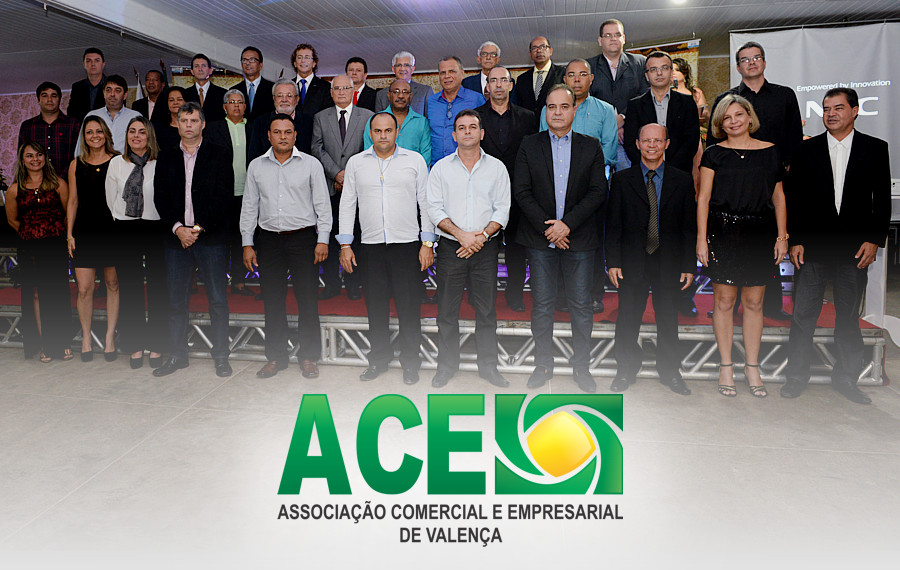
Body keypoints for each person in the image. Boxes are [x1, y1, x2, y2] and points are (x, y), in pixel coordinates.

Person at [782, 88, 892, 405]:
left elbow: (882, 200)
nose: (831, 114)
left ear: (854, 111)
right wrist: (795, 239)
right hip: (812, 248)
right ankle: (796, 377)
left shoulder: (875, 148)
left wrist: (874, 239)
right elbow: (794, 199)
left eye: (838, 108)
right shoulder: (805, 150)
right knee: (803, 315)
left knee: (848, 316)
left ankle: (846, 378)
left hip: (854, 249)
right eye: (826, 109)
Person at [513, 85, 606, 393]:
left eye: (564, 107)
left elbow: (598, 192)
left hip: (579, 239)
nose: (557, 112)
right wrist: (550, 229)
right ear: (545, 111)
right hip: (540, 239)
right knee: (542, 304)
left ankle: (581, 367)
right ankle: (543, 364)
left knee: (581, 305)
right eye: (551, 107)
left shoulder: (591, 146)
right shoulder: (529, 145)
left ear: (574, 110)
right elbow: (522, 192)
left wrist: (567, 225)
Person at [696, 94, 787, 398]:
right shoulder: (714, 154)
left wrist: (782, 236)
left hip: (760, 233)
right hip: (723, 232)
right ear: (720, 124)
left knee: (755, 303)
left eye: (738, 115)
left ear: (749, 117)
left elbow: (778, 197)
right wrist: (701, 238)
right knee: (723, 301)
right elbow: (703, 199)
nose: (733, 121)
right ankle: (726, 366)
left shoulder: (770, 152)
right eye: (726, 117)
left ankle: (752, 366)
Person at [706, 41, 803, 320]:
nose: (751, 62)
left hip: (772, 181)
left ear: (764, 62)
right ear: (738, 67)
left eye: (756, 57)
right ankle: (727, 304)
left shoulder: (784, 95)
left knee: (768, 245)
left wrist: (786, 170)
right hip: (734, 185)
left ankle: (771, 306)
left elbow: (795, 138)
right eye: (745, 59)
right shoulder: (727, 99)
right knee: (731, 246)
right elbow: (713, 143)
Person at [338, 113, 436, 385]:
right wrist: (345, 244)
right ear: (370, 133)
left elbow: (426, 203)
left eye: (388, 130)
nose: (383, 135)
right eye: (378, 131)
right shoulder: (356, 163)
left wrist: (427, 242)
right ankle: (378, 360)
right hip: (370, 247)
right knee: (376, 307)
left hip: (407, 246)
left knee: (409, 307)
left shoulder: (414, 161)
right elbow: (347, 204)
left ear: (396, 133)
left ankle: (410, 363)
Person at [241, 114, 333, 379]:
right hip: (269, 240)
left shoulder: (311, 164)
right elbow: (249, 207)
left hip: (303, 240)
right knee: (272, 300)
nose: (283, 136)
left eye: (288, 132)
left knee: (307, 299)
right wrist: (247, 243)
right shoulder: (256, 166)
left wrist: (323, 239)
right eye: (277, 132)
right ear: (269, 135)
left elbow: (322, 205)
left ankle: (308, 357)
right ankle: (276, 357)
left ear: (295, 135)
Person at [606, 124, 696, 395]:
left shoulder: (682, 180)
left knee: (668, 318)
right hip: (632, 261)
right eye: (647, 141)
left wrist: (688, 264)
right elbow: (613, 225)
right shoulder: (622, 180)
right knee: (627, 317)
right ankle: (625, 370)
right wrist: (613, 261)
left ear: (667, 143)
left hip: (669, 261)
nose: (652, 145)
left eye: (658, 140)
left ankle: (670, 372)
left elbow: (688, 227)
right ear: (637, 144)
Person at [427, 109, 511, 388]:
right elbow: (434, 208)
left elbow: (503, 208)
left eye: (472, 127)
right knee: (446, 311)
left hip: (485, 248)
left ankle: (488, 367)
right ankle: (446, 367)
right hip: (451, 248)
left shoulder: (497, 168)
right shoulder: (440, 168)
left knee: (486, 311)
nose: (467, 132)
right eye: (461, 127)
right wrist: (461, 235)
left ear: (482, 133)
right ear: (454, 135)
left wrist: (481, 237)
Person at [152, 102, 234, 378]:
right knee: (176, 301)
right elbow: (160, 198)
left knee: (218, 300)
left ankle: (221, 356)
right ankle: (178, 355)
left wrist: (196, 229)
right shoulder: (165, 156)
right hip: (176, 239)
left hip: (210, 238)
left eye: (194, 120)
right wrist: (179, 229)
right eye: (184, 120)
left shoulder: (219, 153)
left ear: (203, 124)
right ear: (177, 124)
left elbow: (224, 197)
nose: (189, 125)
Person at [540, 58, 618, 314]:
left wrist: (583, 177)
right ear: (564, 79)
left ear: (591, 79)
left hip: (591, 192)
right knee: (557, 241)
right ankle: (561, 295)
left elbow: (609, 151)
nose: (576, 79)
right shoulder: (548, 110)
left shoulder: (605, 110)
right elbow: (543, 147)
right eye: (571, 75)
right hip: (555, 190)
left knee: (591, 244)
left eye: (582, 74)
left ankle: (593, 294)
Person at [105, 116, 168, 369]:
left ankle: (158, 344)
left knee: (157, 287)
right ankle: (135, 344)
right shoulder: (116, 163)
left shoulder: (160, 163)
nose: (136, 136)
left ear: (149, 136)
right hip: (126, 227)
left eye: (142, 131)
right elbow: (111, 199)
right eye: (132, 131)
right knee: (130, 287)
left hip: (154, 226)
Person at [4, 142, 73, 362]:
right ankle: (44, 343)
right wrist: (32, 233)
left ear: (45, 158)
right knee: (35, 294)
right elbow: (12, 220)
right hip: (30, 248)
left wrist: (53, 232)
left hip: (54, 246)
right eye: (29, 155)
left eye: (39, 154)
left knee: (57, 292)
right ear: (22, 160)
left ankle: (62, 341)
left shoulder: (59, 184)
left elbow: (68, 214)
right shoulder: (14, 190)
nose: (35, 159)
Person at [475, 67, 536, 313]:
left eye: (503, 80)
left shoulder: (529, 117)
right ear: (487, 86)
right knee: (483, 247)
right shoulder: (475, 117)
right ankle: (481, 295)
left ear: (511, 85)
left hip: (518, 193)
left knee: (517, 249)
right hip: (483, 194)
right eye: (493, 80)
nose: (499, 85)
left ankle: (515, 294)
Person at [312, 75, 374, 301]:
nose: (341, 92)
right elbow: (316, 148)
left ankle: (354, 283)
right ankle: (331, 284)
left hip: (357, 188)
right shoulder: (320, 117)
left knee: (355, 237)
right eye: (336, 88)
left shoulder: (368, 116)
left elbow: (370, 149)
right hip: (330, 188)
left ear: (353, 90)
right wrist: (336, 173)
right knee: (328, 237)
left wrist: (349, 175)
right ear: (331, 93)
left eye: (345, 88)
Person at [66, 117, 120, 362]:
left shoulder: (118, 160)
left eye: (99, 131)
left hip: (111, 230)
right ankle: (86, 338)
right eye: (89, 132)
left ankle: (109, 337)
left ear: (106, 133)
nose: (95, 136)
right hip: (84, 231)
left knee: (112, 284)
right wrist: (69, 233)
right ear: (84, 137)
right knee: (84, 288)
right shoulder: (75, 164)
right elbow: (72, 201)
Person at [205, 89, 253, 296]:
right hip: (221, 193)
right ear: (224, 107)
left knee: (242, 238)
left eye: (240, 102)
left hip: (248, 193)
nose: (236, 106)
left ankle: (239, 281)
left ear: (245, 106)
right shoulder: (213, 128)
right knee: (220, 239)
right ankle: (217, 282)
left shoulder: (253, 127)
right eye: (231, 102)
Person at [622, 51, 700, 175]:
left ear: (671, 72)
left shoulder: (687, 102)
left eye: (664, 68)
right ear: (647, 76)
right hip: (644, 174)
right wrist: (649, 168)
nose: (659, 73)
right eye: (653, 69)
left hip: (679, 172)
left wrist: (669, 170)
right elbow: (631, 142)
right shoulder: (635, 105)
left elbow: (691, 141)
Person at [587, 19, 650, 170]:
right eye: (608, 35)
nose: (613, 38)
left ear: (624, 38)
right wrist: (611, 124)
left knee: (630, 180)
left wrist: (624, 118)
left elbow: (645, 96)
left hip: (632, 137)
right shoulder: (588, 66)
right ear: (600, 41)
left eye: (617, 34)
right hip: (598, 138)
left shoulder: (640, 63)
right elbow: (586, 100)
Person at [426, 56, 486, 166]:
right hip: (436, 167)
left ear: (462, 73)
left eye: (452, 71)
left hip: (467, 166)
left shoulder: (476, 99)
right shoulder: (431, 102)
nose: (447, 76)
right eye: (442, 73)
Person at [18, 81, 80, 179]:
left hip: (68, 181)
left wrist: (61, 179)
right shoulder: (27, 126)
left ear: (59, 99)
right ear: (38, 100)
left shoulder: (73, 124)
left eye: (54, 96)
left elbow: (79, 155)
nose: (49, 99)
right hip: (36, 182)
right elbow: (22, 156)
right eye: (45, 96)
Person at [363, 79, 431, 165]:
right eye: (396, 92)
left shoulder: (421, 122)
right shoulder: (375, 120)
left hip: (413, 171)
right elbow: (368, 152)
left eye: (405, 92)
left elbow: (426, 154)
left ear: (411, 96)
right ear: (389, 95)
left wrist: (411, 170)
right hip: (381, 171)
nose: (401, 96)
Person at [76, 75, 142, 155]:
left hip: (126, 162)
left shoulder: (135, 117)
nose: (112, 94)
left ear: (125, 95)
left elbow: (143, 147)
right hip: (97, 162)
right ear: (104, 93)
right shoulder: (92, 116)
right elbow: (81, 148)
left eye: (117, 90)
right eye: (108, 90)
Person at [248, 79, 309, 161]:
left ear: (297, 99)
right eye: (280, 96)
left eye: (289, 96)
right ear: (274, 98)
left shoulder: (309, 122)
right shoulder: (260, 122)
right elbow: (253, 155)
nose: (284, 100)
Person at [513, 36, 565, 117]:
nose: (539, 50)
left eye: (543, 47)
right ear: (530, 54)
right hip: (528, 124)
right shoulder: (522, 79)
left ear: (550, 51)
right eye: (534, 48)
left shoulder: (563, 74)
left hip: (554, 122)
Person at [374, 51, 433, 116]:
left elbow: (431, 118)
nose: (402, 69)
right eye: (399, 65)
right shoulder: (381, 95)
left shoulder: (425, 92)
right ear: (393, 69)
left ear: (412, 69)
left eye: (406, 65)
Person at [233, 46, 275, 122]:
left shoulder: (272, 88)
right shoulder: (235, 90)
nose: (248, 63)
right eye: (244, 60)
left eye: (252, 60)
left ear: (260, 65)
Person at [182, 53, 227, 123]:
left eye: (204, 66)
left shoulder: (223, 93)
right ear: (192, 71)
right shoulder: (185, 94)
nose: (200, 69)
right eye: (196, 66)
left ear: (210, 70)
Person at [68, 47, 106, 123]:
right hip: (83, 127)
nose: (93, 64)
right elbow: (72, 113)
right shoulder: (77, 87)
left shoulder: (112, 85)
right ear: (84, 64)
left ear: (103, 64)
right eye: (89, 61)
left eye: (97, 60)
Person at [672, 58, 708, 124]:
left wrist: (703, 113)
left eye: (677, 70)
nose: (673, 73)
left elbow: (704, 114)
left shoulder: (695, 92)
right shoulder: (666, 92)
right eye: (671, 70)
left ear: (685, 74)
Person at [152, 86, 186, 151]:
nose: (175, 102)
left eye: (179, 99)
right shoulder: (158, 129)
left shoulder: (192, 126)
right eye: (171, 100)